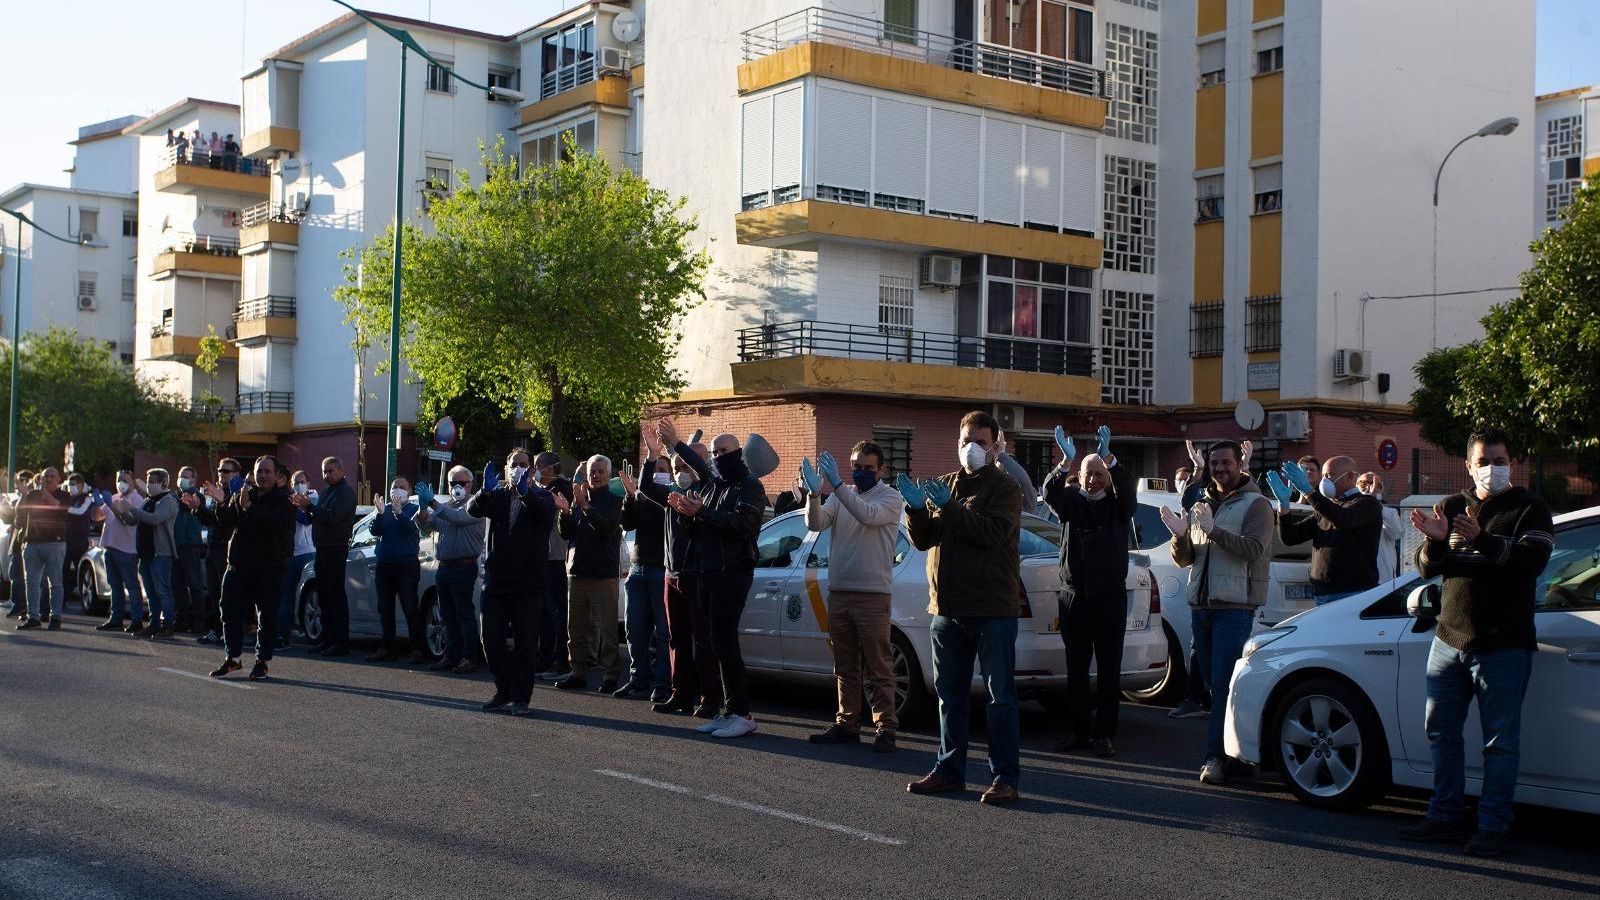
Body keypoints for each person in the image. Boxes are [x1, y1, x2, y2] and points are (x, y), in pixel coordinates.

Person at [1399, 428, 1553, 857]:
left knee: (1499, 743)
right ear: (1468, 466)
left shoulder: (1530, 509)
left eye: (1499, 461)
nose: (1492, 470)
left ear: (1513, 464)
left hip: (1503, 646)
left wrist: (1480, 539)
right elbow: (1428, 569)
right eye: (1483, 462)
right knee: (1441, 733)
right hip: (1449, 639)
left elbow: (1530, 563)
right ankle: (1445, 815)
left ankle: (1493, 826)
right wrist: (1433, 542)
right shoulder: (1452, 507)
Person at [902, 410, 1024, 805]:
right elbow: (924, 540)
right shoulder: (947, 485)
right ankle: (949, 770)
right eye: (965, 441)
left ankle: (1004, 776)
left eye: (980, 442)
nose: (970, 448)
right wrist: (916, 510)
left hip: (991, 609)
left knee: (999, 697)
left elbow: (991, 534)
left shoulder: (1005, 488)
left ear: (995, 446)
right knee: (949, 696)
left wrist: (950, 509)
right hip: (947, 609)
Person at [1157, 439, 1273, 786]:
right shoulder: (1202, 503)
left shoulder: (1257, 504)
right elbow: (1187, 558)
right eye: (1214, 464)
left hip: (1234, 607)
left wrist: (1214, 531)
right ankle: (1237, 754)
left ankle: (1214, 758)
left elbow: (1253, 550)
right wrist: (1180, 537)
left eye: (1225, 462)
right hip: (1202, 604)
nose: (1219, 468)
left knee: (1221, 686)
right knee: (1212, 684)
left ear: (1240, 464)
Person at [661, 421, 768, 740]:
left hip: (732, 573)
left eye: (724, 451)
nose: (718, 457)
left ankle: (743, 713)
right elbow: (700, 526)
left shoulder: (750, 486)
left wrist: (702, 514)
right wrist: (687, 515)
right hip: (707, 571)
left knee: (726, 643)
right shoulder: (712, 485)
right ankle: (730, 710)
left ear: (737, 454)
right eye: (715, 452)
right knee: (716, 644)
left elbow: (743, 525)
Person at [801, 440, 904, 753]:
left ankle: (886, 727)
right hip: (840, 592)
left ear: (881, 470)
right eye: (856, 467)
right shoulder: (842, 493)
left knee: (879, 666)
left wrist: (835, 486)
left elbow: (867, 515)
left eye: (867, 468)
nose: (860, 473)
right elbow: (814, 523)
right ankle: (847, 723)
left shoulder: (890, 497)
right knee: (845, 666)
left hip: (872, 596)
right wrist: (814, 495)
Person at [1042, 426, 1137, 757]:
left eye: (1099, 474)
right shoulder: (1070, 503)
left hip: (1110, 598)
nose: (1093, 480)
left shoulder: (1118, 506)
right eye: (1088, 474)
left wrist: (1110, 458)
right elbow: (1049, 491)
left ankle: (1104, 735)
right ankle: (1079, 732)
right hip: (1074, 598)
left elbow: (1127, 489)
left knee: (1109, 670)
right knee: (1077, 669)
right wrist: (1064, 462)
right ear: (1079, 477)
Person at [638, 427, 721, 718]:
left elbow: (706, 474)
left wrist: (678, 446)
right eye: (677, 467)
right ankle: (681, 694)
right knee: (677, 638)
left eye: (686, 466)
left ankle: (710, 698)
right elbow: (645, 488)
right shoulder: (673, 494)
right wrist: (651, 455)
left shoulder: (710, 492)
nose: (681, 471)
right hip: (671, 575)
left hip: (698, 575)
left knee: (703, 640)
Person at [467, 448, 556, 716]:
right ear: (506, 469)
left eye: (523, 464)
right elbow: (473, 509)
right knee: (490, 640)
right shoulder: (499, 496)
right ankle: (503, 687)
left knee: (525, 644)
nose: (518, 468)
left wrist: (526, 492)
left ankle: (520, 697)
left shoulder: (543, 496)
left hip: (528, 585)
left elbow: (544, 515)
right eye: (514, 464)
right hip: (496, 582)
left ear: (532, 470)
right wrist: (483, 491)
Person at [206, 456, 295, 681]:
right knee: (228, 611)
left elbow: (274, 523)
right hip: (238, 566)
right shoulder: (243, 495)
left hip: (269, 568)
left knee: (266, 617)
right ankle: (233, 659)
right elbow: (226, 523)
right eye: (259, 471)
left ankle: (262, 662)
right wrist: (221, 503)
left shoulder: (285, 500)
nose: (263, 476)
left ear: (276, 475)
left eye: (267, 471)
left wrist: (250, 508)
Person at [1266, 455, 1382, 605]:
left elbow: (1343, 519)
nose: (1325, 481)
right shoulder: (1326, 508)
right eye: (1324, 476)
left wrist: (1308, 492)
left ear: (1350, 477)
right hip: (1323, 593)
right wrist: (1284, 506)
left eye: (1329, 475)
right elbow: (1290, 538)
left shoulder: (1367, 504)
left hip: (1354, 592)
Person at [554, 455, 625, 693]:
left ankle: (611, 675)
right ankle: (578, 672)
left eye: (600, 472)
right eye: (592, 472)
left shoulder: (615, 501)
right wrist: (565, 512)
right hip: (577, 572)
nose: (595, 476)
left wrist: (585, 506)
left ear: (608, 474)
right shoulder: (578, 500)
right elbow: (566, 534)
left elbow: (606, 529)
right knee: (576, 629)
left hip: (603, 574)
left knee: (607, 629)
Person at [416, 466, 486, 673]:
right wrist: (422, 511)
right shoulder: (446, 506)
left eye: (461, 483)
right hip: (444, 567)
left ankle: (469, 657)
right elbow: (428, 527)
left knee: (464, 613)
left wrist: (433, 503)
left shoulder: (475, 506)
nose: (457, 487)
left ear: (471, 485)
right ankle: (451, 655)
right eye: (453, 483)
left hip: (464, 566)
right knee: (447, 615)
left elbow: (457, 517)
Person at [618, 457, 671, 701]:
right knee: (634, 629)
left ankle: (662, 683)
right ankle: (638, 678)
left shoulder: (671, 497)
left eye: (663, 470)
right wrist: (630, 497)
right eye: (655, 470)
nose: (658, 474)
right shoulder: (640, 497)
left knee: (663, 632)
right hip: (638, 570)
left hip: (661, 570)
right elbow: (627, 522)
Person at [293, 456, 357, 656]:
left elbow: (333, 517)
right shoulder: (327, 492)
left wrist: (310, 507)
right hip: (322, 547)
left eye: (330, 471)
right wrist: (307, 509)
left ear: (340, 470)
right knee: (325, 596)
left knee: (336, 595)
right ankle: (328, 638)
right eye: (324, 471)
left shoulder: (345, 492)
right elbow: (318, 517)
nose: (327, 475)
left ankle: (341, 642)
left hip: (335, 548)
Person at [113, 468, 180, 636]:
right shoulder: (147, 501)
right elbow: (133, 520)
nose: (149, 485)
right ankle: (154, 623)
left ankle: (168, 624)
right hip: (145, 554)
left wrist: (132, 509)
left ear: (164, 483)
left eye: (153, 481)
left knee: (163, 591)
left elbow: (154, 519)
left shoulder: (169, 501)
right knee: (150, 593)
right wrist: (121, 510)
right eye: (148, 481)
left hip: (160, 554)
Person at [368, 476, 425, 663]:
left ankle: (416, 649)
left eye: (402, 487)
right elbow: (375, 531)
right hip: (385, 564)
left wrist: (400, 513)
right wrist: (379, 513)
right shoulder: (385, 509)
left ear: (409, 492)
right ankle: (387, 648)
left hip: (406, 564)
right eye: (394, 487)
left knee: (410, 606)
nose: (398, 490)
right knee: (385, 608)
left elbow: (412, 530)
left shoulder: (414, 509)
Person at [194, 457, 244, 644]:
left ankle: (230, 632)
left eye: (226, 471)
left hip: (227, 548)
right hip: (213, 547)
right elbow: (212, 521)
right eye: (220, 470)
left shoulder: (237, 493)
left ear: (236, 474)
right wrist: (197, 509)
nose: (221, 474)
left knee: (227, 595)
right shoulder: (218, 492)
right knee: (214, 593)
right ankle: (217, 629)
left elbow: (227, 522)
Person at [532, 451, 573, 681]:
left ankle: (560, 661)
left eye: (538, 466)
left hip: (555, 558)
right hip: (541, 558)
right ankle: (545, 657)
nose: (535, 470)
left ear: (550, 468)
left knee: (556, 613)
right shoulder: (543, 490)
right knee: (544, 614)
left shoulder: (561, 489)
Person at [14, 467, 70, 629]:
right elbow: (19, 519)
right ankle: (34, 617)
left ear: (59, 479)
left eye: (52, 476)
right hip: (32, 543)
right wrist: (24, 495)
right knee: (31, 582)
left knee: (55, 582)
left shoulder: (64, 495)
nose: (48, 479)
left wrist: (44, 493)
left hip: (55, 543)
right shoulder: (32, 495)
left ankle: (56, 618)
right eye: (45, 476)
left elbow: (59, 508)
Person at [93, 472, 145, 631]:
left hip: (127, 549)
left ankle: (137, 621)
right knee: (114, 586)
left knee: (131, 586)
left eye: (125, 480)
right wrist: (97, 503)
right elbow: (97, 517)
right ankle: (116, 619)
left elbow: (127, 520)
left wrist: (110, 505)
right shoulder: (114, 497)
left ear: (133, 483)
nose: (121, 483)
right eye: (118, 480)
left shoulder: (136, 499)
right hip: (110, 547)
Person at [274, 470, 317, 651]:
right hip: (292, 553)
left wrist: (297, 505)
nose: (298, 484)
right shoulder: (287, 498)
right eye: (295, 482)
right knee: (286, 596)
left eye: (301, 481)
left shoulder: (313, 497)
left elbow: (307, 519)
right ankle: (283, 635)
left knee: (311, 595)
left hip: (309, 553)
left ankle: (307, 630)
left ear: (308, 482)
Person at [171, 466, 209, 633]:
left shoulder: (197, 496)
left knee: (195, 584)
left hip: (191, 544)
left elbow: (187, 507)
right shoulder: (174, 496)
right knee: (177, 584)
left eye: (186, 477)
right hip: (175, 544)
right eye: (180, 476)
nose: (182, 480)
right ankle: (182, 619)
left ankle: (199, 621)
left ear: (194, 480)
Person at [1359, 471, 1404, 581]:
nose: (1369, 487)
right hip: (1358, 576)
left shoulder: (1389, 513)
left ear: (1381, 489)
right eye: (1363, 483)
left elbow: (1397, 533)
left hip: (1383, 578)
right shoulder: (1351, 511)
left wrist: (1375, 506)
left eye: (1376, 485)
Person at [63, 474, 94, 610]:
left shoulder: (87, 498)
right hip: (65, 540)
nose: (71, 487)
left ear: (81, 485)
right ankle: (61, 601)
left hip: (79, 541)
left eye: (74, 484)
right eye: (70, 484)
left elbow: (81, 512)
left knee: (80, 572)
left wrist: (63, 509)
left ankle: (84, 602)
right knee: (62, 572)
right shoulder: (68, 499)